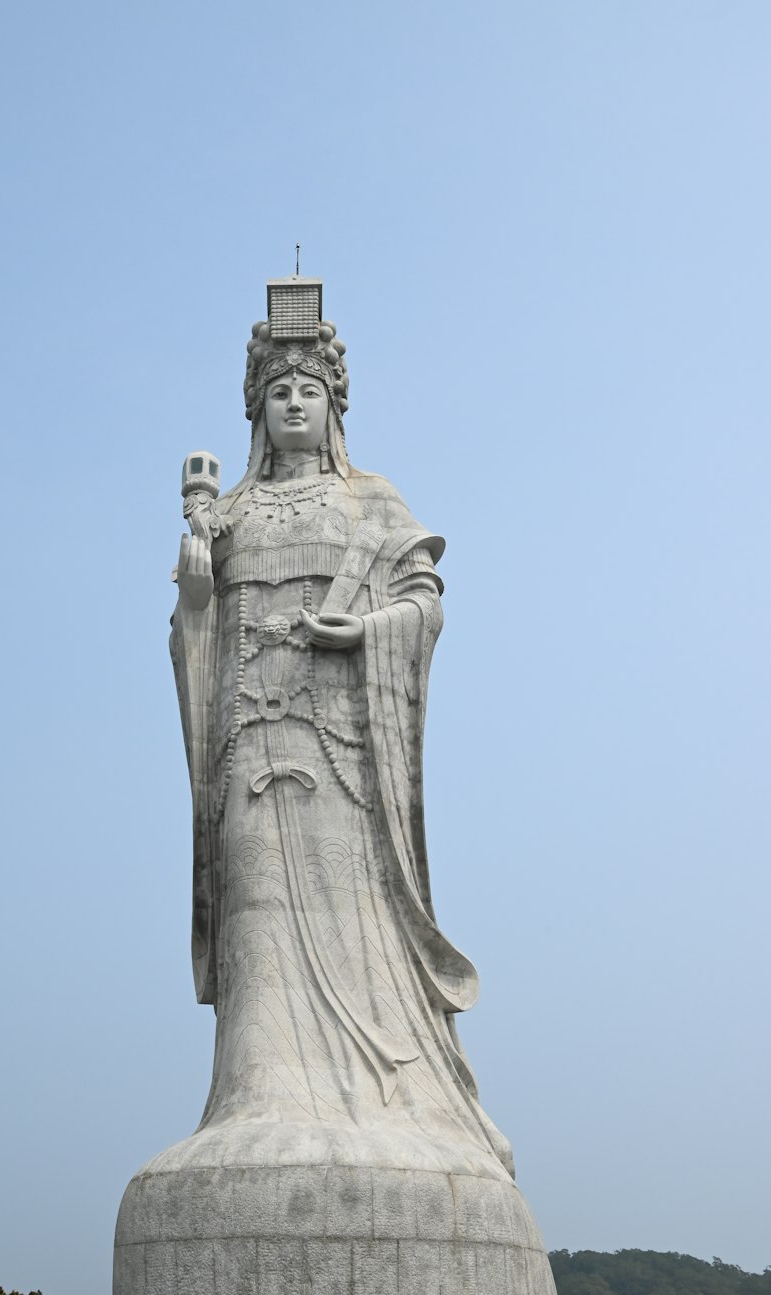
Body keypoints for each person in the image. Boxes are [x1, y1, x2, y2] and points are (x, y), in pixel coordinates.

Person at [170, 307, 515, 1174]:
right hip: (251, 747)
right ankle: (260, 1099)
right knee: (262, 923)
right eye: (277, 391)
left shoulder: (370, 499)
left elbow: (425, 601)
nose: (293, 404)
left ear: (334, 407)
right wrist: (199, 586)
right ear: (255, 410)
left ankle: (390, 1104)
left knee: (352, 918)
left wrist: (366, 633)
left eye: (309, 390)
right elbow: (193, 635)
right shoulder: (231, 511)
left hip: (344, 761)